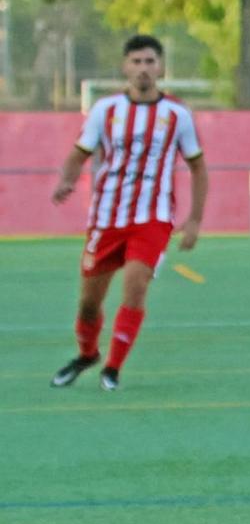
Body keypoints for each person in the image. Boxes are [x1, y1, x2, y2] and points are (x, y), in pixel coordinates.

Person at [48, 34, 207, 391]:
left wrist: (194, 219)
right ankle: (88, 354)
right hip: (106, 219)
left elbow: (198, 167)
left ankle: (113, 369)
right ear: (125, 67)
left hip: (152, 219)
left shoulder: (177, 114)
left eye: (150, 61)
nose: (143, 69)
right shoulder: (105, 111)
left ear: (161, 67)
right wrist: (67, 180)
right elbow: (79, 153)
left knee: (135, 288)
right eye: (136, 62)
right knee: (89, 303)